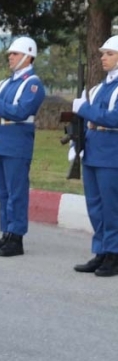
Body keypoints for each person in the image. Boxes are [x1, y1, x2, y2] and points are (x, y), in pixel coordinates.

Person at [0, 37, 45, 257]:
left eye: (15, 54)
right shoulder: (5, 83)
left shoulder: (33, 84)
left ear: (28, 56)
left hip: (17, 142)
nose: (10, 57)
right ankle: (6, 232)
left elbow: (20, 112)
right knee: (3, 192)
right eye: (10, 54)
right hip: (0, 140)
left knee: (16, 192)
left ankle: (16, 237)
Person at [71, 35, 118, 277]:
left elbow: (114, 118)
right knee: (95, 206)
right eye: (103, 54)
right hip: (93, 148)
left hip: (112, 152)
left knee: (111, 207)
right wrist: (76, 145)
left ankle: (114, 253)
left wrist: (86, 109)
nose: (103, 58)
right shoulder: (100, 87)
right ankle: (100, 250)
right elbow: (88, 120)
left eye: (109, 54)